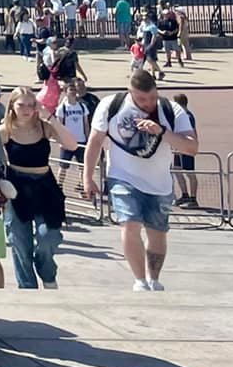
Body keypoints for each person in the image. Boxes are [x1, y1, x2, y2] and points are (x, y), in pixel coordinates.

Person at [83, 66, 198, 290]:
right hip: (122, 177)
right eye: (142, 99)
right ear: (130, 93)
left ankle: (153, 278)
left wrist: (163, 132)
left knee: (157, 233)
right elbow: (95, 142)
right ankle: (139, 280)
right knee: (130, 223)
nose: (148, 103)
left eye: (152, 96)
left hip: (159, 183)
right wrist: (88, 177)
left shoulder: (171, 110)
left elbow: (192, 148)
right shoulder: (110, 105)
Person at [0, 86, 77, 288]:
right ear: (12, 106)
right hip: (17, 187)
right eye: (21, 104)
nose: (26, 109)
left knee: (49, 236)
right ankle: (28, 288)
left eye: (31, 104)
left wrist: (50, 118)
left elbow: (72, 145)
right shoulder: (4, 130)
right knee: (20, 243)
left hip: (44, 185)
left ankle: (47, 271)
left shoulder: (44, 127)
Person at [171, 92, 199, 207]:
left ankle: (193, 199)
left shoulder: (187, 116)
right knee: (177, 170)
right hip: (179, 147)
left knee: (190, 172)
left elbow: (191, 132)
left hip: (186, 147)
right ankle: (184, 194)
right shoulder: (180, 115)